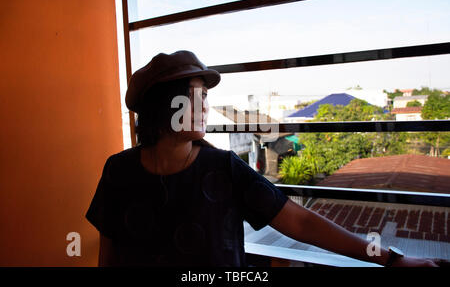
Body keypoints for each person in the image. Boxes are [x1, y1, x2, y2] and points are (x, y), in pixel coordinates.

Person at [86, 50, 440, 267]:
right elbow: (110, 253)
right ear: (167, 106)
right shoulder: (118, 171)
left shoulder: (223, 169)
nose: (206, 106)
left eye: (206, 96)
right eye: (197, 96)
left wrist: (392, 259)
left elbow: (301, 223)